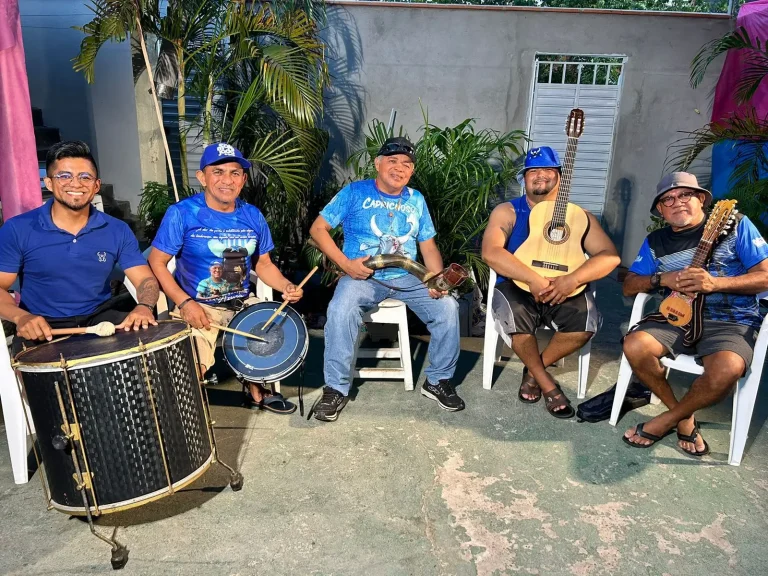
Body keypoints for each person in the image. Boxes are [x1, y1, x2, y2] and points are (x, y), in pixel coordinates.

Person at [308, 136, 463, 423]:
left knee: (448, 308)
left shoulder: (416, 199)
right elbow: (318, 230)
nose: (399, 168)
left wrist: (436, 280)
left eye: (406, 163)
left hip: (408, 275)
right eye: (392, 161)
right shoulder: (354, 192)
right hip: (362, 276)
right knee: (340, 310)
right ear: (378, 164)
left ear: (412, 171)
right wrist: (345, 264)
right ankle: (336, 388)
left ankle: (437, 380)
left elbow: (428, 246)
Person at [149, 142, 303, 414]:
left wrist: (286, 286)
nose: (227, 180)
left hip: (241, 302)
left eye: (234, 173)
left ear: (243, 179)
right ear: (202, 177)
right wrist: (184, 303)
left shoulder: (252, 215)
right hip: (198, 305)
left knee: (273, 337)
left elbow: (263, 264)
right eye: (218, 172)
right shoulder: (182, 214)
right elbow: (157, 262)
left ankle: (257, 388)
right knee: (190, 366)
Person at [621, 172, 768, 456]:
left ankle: (666, 419)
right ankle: (684, 417)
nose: (677, 202)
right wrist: (662, 279)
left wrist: (716, 283)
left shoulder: (737, 226)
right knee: (634, 345)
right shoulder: (656, 241)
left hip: (730, 321)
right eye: (668, 199)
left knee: (727, 370)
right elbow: (629, 285)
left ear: (701, 199)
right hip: (677, 317)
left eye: (684, 194)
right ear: (661, 210)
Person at [481, 146, 620, 419]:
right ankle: (546, 384)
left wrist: (573, 280)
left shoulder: (579, 217)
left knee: (586, 323)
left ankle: (534, 368)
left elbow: (610, 256)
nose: (540, 176)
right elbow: (491, 252)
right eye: (533, 171)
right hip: (518, 287)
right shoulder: (508, 211)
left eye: (547, 170)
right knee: (516, 318)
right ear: (524, 178)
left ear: (560, 175)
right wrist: (533, 279)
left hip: (564, 286)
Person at [0, 141, 159, 349]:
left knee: (150, 341)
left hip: (100, 320)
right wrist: (21, 318)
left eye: (85, 177)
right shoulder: (18, 229)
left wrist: (144, 306)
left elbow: (145, 279)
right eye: (64, 176)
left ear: (96, 185)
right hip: (43, 325)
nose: (76, 184)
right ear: (48, 183)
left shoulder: (116, 229)